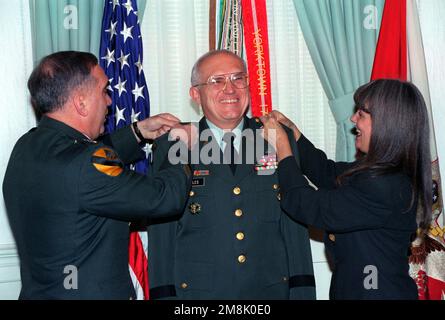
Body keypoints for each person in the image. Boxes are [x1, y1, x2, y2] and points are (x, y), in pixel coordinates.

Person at [2, 51, 192, 299]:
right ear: (81, 103)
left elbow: (80, 163)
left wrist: (137, 132)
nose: (110, 101)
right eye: (104, 91)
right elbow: (164, 197)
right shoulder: (85, 164)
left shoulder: (27, 147)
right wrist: (177, 145)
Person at [147, 50, 315, 300]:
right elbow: (162, 230)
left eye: (238, 79)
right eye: (217, 81)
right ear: (195, 94)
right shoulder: (175, 144)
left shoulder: (276, 138)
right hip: (198, 295)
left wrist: (302, 293)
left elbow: (294, 223)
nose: (230, 89)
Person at [261, 79, 432, 299]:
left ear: (385, 124)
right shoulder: (384, 171)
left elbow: (307, 204)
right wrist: (295, 135)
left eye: (361, 114)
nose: (353, 119)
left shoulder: (386, 185)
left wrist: (283, 148)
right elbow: (329, 172)